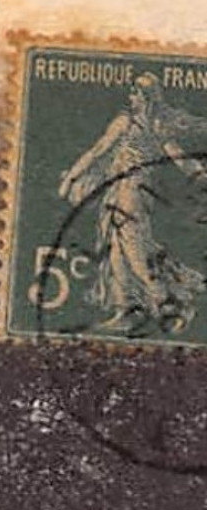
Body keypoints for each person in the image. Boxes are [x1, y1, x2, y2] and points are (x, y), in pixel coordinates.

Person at [58, 72, 207, 334]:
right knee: (115, 249)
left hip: (132, 191)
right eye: (132, 92)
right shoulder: (145, 123)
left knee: (134, 251)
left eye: (136, 93)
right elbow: (179, 157)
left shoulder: (135, 123)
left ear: (146, 97)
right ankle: (125, 309)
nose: (131, 97)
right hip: (122, 189)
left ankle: (171, 304)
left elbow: (100, 150)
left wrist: (71, 177)